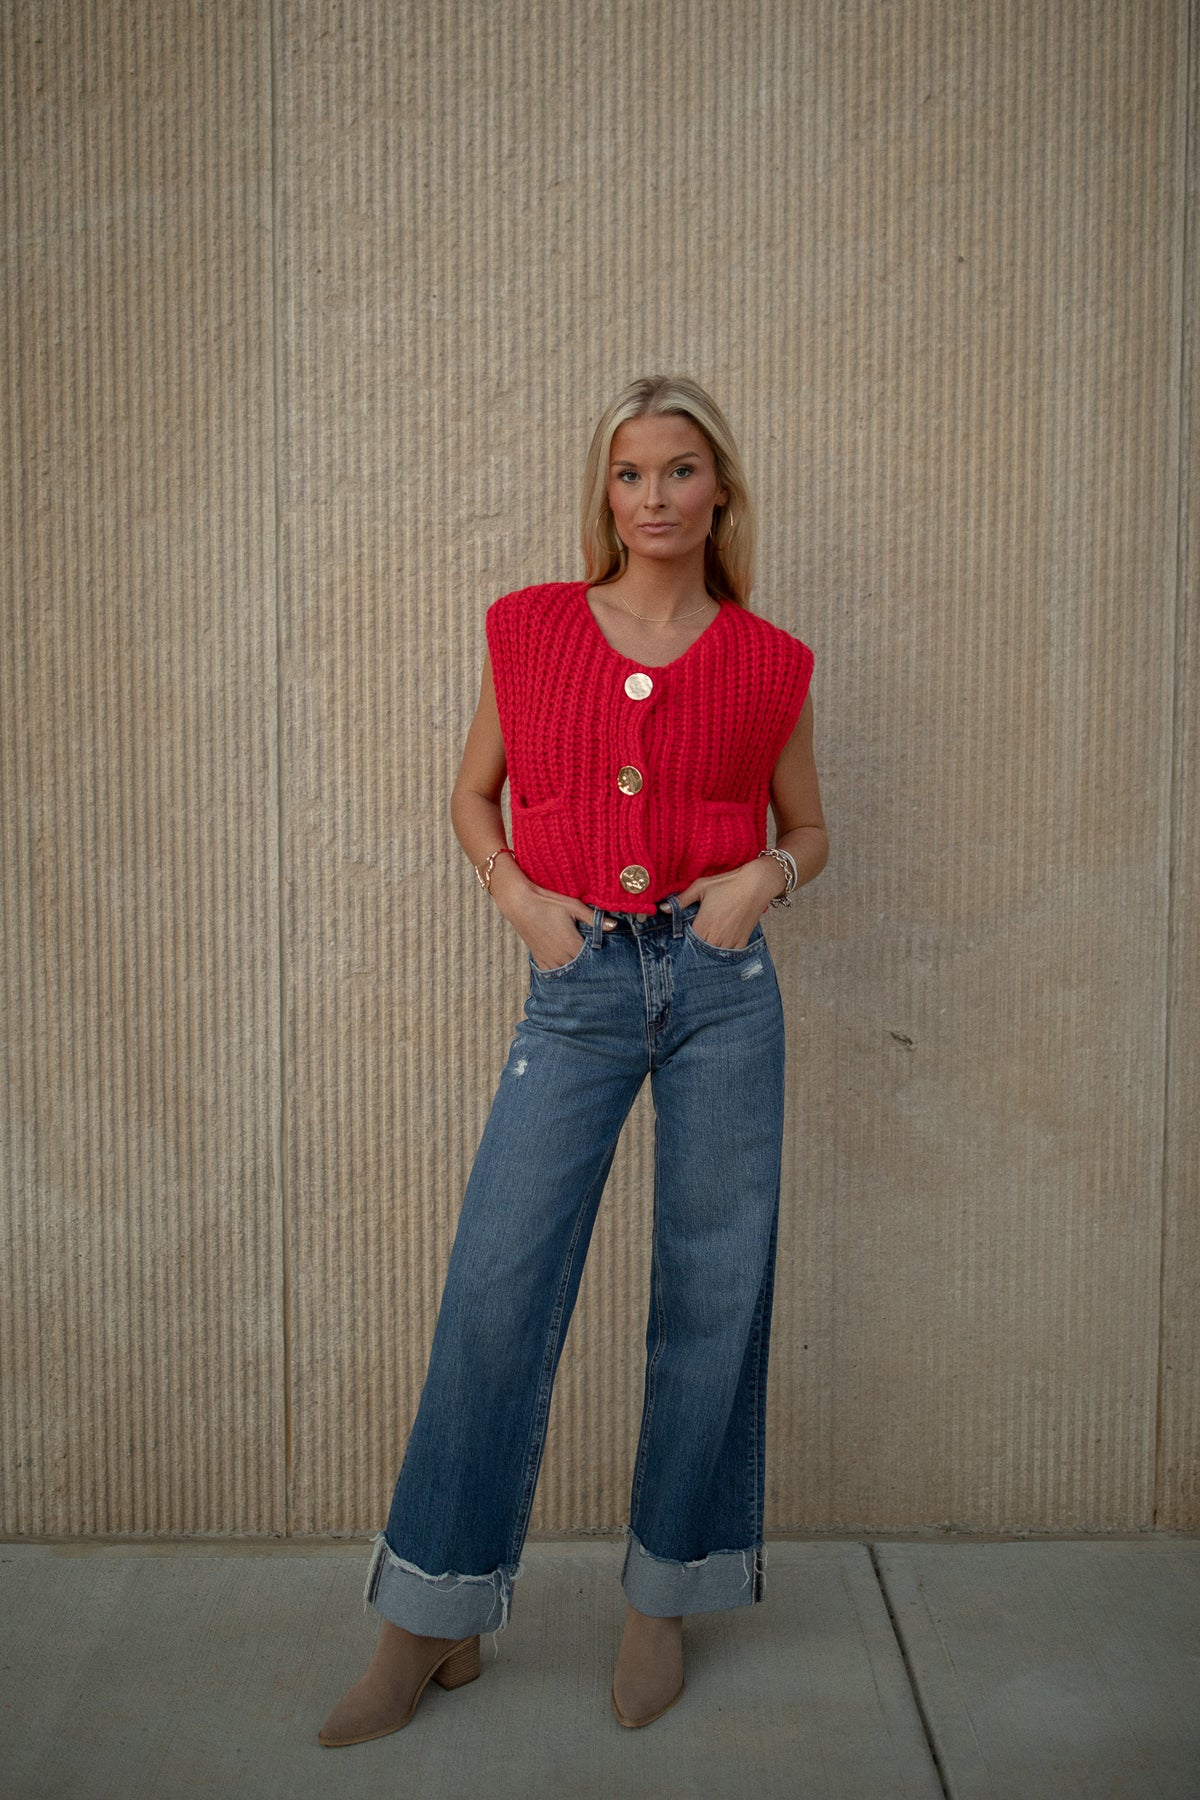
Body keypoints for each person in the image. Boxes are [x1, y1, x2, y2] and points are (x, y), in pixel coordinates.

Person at [318, 374, 828, 1747]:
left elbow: (812, 827)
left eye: (678, 471)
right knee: (498, 1283)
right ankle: (429, 1619)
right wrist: (517, 901)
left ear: (720, 488)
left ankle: (663, 1599)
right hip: (578, 983)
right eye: (628, 474)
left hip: (723, 986)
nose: (653, 497)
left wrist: (757, 885)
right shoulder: (534, 629)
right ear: (603, 494)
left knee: (713, 1289)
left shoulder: (771, 659)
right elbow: (469, 790)